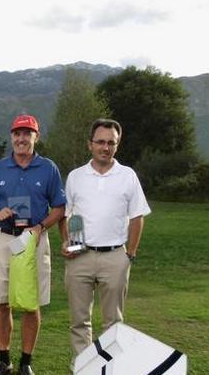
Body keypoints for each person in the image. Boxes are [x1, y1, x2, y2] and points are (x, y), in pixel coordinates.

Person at [59, 118, 150, 363]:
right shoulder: (76, 177)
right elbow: (67, 215)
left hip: (115, 257)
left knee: (113, 322)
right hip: (80, 257)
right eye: (100, 142)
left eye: (111, 143)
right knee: (79, 321)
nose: (105, 147)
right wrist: (67, 242)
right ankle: (85, 366)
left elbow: (138, 217)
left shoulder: (128, 176)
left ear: (117, 146)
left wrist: (129, 254)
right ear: (90, 144)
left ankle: (111, 367)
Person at [0, 115, 66, 375]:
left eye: (27, 134)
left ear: (35, 137)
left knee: (32, 302)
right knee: (1, 301)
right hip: (3, 238)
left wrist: (40, 227)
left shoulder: (48, 168)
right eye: (17, 133)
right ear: (11, 137)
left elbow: (60, 207)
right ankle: (4, 359)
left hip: (34, 239)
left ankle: (25, 362)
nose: (21, 138)